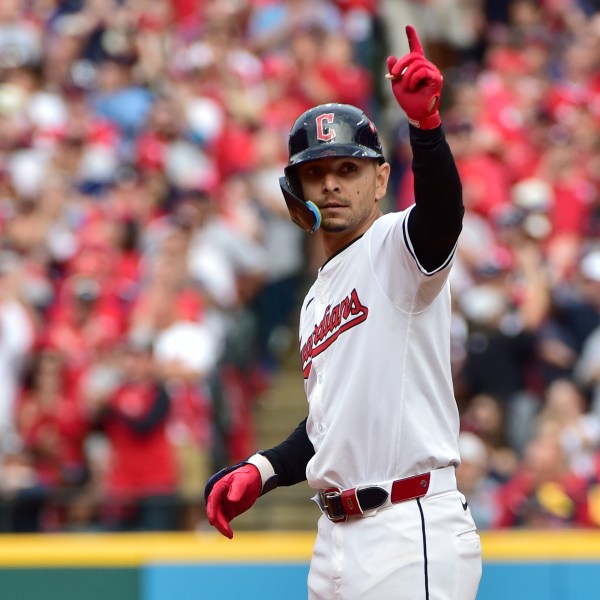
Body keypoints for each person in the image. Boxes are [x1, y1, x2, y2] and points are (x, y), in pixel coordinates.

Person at [204, 25, 482, 600]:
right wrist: (260, 469)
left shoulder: (394, 244)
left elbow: (442, 219)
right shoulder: (314, 299)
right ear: (294, 192)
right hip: (335, 539)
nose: (331, 183)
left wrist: (427, 131)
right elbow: (330, 425)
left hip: (409, 525)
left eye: (349, 169)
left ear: (381, 178)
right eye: (315, 171)